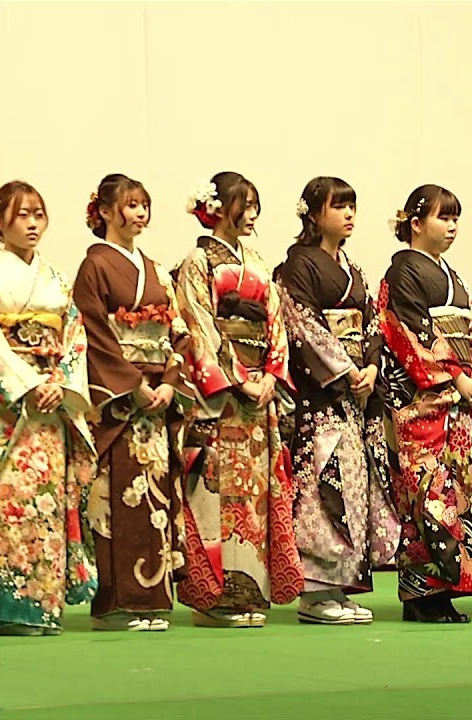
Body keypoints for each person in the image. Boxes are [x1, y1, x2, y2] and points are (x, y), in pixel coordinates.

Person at [0, 181, 97, 636]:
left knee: (46, 505)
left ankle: (44, 605)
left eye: (38, 214)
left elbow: (74, 336)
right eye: (21, 215)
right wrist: (29, 385)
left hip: (49, 409)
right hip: (12, 411)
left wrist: (59, 383)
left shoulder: (55, 278)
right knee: (10, 503)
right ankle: (10, 608)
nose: (32, 224)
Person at [175, 171, 302, 628]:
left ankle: (250, 593)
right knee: (218, 493)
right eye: (243, 206)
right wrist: (237, 378)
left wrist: (271, 373)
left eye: (254, 206)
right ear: (217, 208)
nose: (251, 215)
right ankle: (215, 598)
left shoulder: (258, 262)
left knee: (255, 497)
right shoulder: (198, 262)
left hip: (257, 397)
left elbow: (275, 323)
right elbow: (199, 325)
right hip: (223, 400)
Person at [275, 177, 399, 625]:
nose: (348, 215)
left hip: (354, 394)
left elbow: (372, 325)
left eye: (352, 206)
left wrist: (371, 367)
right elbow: (302, 325)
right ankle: (314, 591)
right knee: (321, 485)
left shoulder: (354, 270)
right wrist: (346, 370)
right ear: (313, 213)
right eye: (338, 206)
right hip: (322, 396)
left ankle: (341, 586)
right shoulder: (297, 265)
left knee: (353, 487)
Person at [73, 174, 193, 632]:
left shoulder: (156, 270)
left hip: (155, 399)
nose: (140, 213)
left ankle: (151, 599)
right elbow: (94, 332)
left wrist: (170, 380)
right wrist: (132, 384)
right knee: (117, 497)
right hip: (121, 402)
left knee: (154, 498)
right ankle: (116, 604)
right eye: (130, 205)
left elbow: (177, 330)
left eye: (144, 204)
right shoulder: (94, 267)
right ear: (104, 212)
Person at [376, 184, 472, 622]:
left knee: (456, 494)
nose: (452, 226)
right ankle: (419, 594)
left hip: (457, 402)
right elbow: (407, 332)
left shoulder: (452, 275)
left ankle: (443, 592)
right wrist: (457, 377)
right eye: (444, 217)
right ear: (416, 223)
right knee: (425, 493)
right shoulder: (402, 271)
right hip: (423, 400)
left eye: (456, 218)